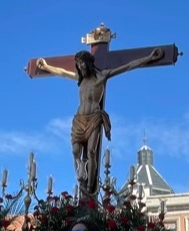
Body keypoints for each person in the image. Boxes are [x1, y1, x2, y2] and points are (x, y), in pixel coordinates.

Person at [35, 48, 164, 197]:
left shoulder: (101, 77)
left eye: (82, 64)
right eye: (78, 64)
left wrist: (148, 57)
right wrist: (46, 66)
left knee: (91, 151)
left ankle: (90, 186)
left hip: (94, 118)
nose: (80, 67)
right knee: (75, 151)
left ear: (88, 64)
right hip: (79, 119)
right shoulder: (80, 79)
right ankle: (81, 175)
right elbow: (62, 72)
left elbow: (127, 66)